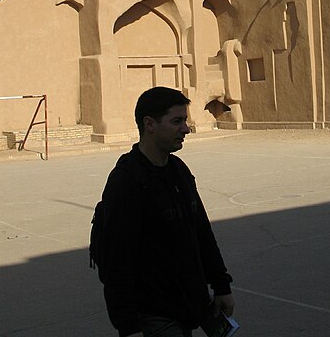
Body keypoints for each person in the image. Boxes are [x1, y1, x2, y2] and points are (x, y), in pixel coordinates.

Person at [98, 86, 235, 337]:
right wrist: (128, 327)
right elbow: (118, 262)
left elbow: (201, 233)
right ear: (149, 124)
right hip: (154, 315)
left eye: (184, 120)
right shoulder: (127, 181)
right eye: (177, 121)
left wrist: (221, 284)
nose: (186, 128)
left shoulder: (178, 171)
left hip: (189, 305)